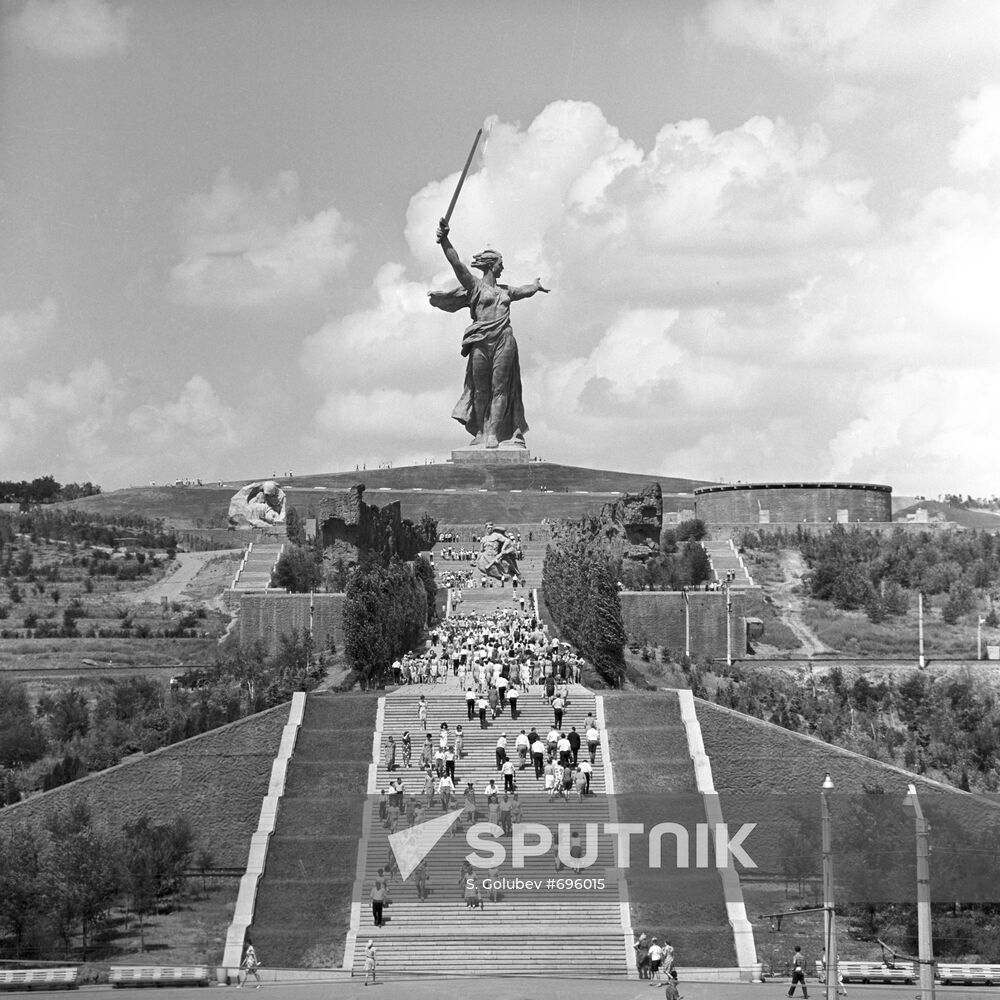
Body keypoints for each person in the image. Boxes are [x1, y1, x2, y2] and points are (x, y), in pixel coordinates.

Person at [429, 218, 549, 449]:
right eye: (501, 263)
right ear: (491, 264)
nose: (503, 267)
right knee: (481, 389)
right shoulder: (475, 287)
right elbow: (457, 265)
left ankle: (493, 433)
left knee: (500, 387)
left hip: (504, 338)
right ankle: (482, 432)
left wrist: (535, 285)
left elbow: (524, 290)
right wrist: (444, 240)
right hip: (480, 340)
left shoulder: (506, 291)